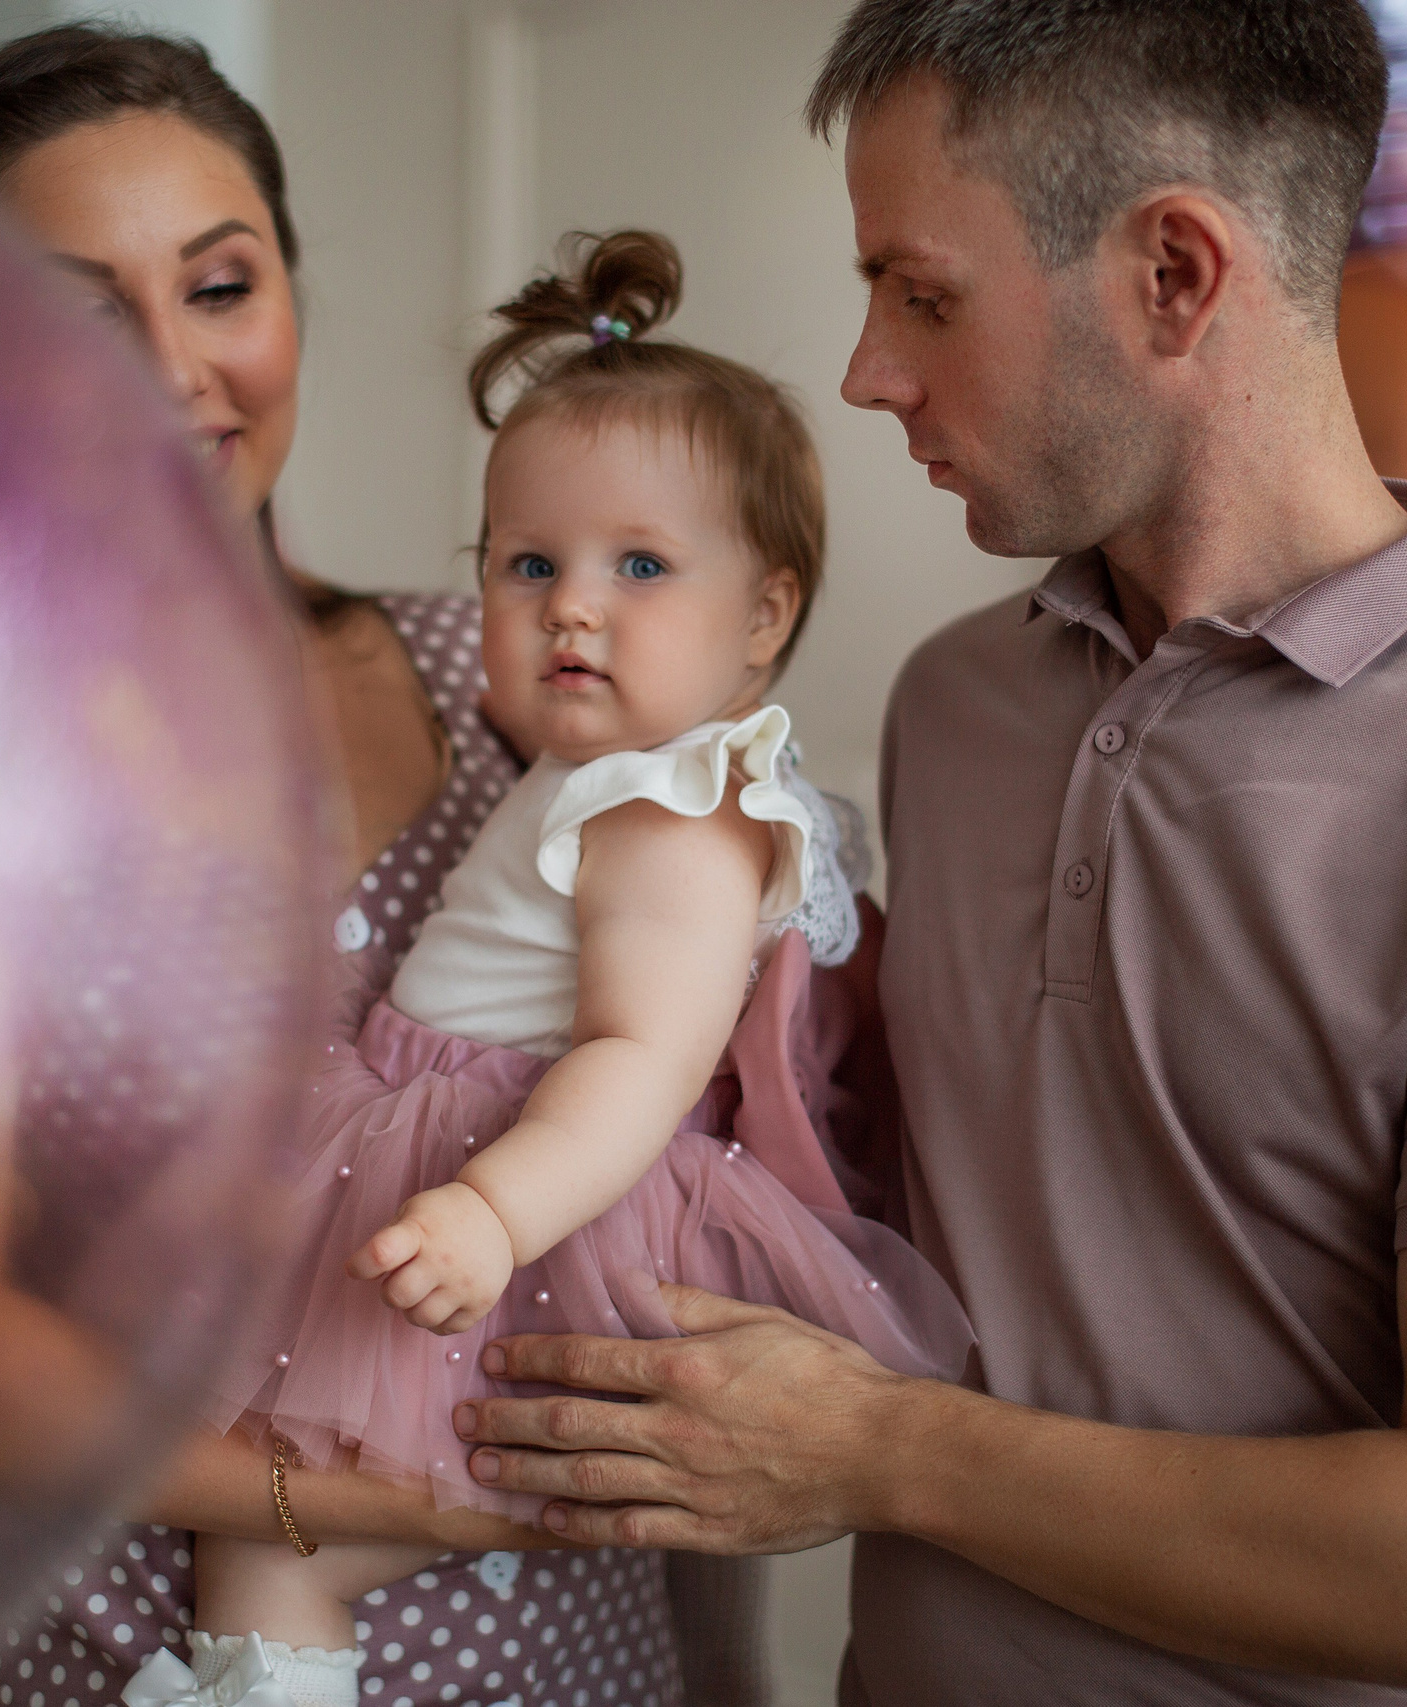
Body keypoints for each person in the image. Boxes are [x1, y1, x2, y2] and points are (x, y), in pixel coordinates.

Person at [453, 4, 1407, 1706]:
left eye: (922, 294)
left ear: (1174, 277)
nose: (866, 370)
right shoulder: (957, 709)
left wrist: (877, 1454)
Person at [0, 28, 784, 1707]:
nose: (174, 371)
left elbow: (697, 1111)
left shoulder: (518, 676)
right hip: (121, 1658)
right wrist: (373, 1499)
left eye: (219, 286)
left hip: (577, 1666)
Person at [133, 231, 973, 1707]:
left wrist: (486, 1211)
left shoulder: (671, 807)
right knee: (266, 1531)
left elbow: (640, 1059)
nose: (570, 606)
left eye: (640, 565)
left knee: (277, 1540)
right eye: (529, 565)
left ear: (763, 616)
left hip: (534, 1188)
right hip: (447, 1154)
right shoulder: (599, 767)